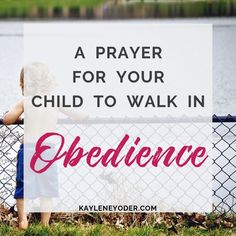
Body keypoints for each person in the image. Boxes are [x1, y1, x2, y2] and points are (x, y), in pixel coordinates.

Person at [3, 63, 88, 230]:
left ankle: (23, 221)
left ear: (24, 83)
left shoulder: (25, 102)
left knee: (23, 186)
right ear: (49, 81)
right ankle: (44, 224)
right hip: (47, 150)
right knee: (46, 188)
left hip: (28, 149)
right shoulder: (55, 101)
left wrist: (12, 115)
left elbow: (7, 120)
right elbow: (79, 115)